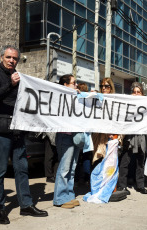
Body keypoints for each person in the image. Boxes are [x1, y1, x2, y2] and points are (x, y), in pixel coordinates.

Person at [0, 45, 48, 224]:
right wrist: (10, 84)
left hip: (18, 131)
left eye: (15, 58)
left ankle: (26, 205)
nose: (12, 61)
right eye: (8, 57)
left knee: (22, 169)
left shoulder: (22, 79)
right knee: (0, 170)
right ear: (2, 57)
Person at [53, 74, 85, 209]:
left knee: (72, 168)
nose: (76, 85)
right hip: (64, 136)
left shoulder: (77, 98)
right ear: (65, 85)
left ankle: (69, 195)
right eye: (73, 83)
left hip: (74, 136)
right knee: (64, 168)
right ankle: (60, 198)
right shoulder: (60, 98)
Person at [117, 82, 147, 194]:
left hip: (141, 138)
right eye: (134, 92)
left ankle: (140, 185)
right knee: (125, 162)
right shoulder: (127, 103)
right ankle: (122, 185)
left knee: (140, 163)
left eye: (138, 92)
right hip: (129, 137)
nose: (135, 94)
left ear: (142, 93)